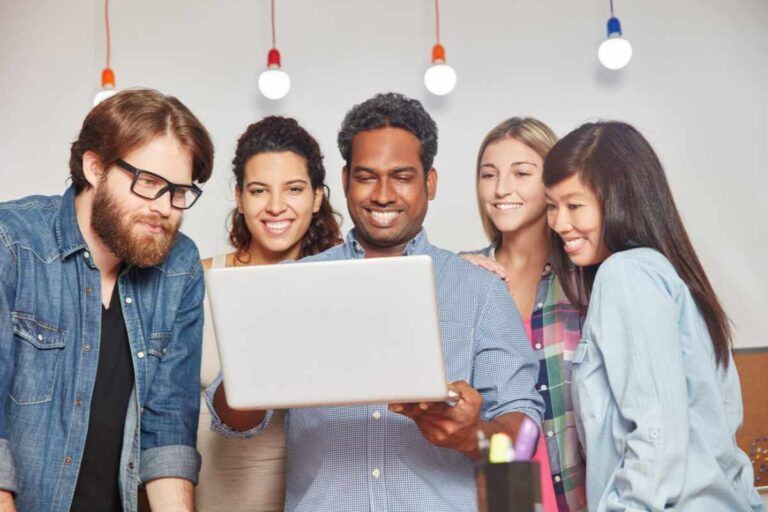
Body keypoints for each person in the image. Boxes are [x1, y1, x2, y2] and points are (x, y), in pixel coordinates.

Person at [205, 92, 544, 512]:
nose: (383, 194)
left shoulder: (480, 290)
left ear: (430, 182)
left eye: (402, 176)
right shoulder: (294, 282)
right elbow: (232, 420)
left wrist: (473, 435)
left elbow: (524, 433)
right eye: (367, 177)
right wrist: (259, 362)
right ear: (345, 180)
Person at [0, 89, 214, 512]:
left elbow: (168, 429)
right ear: (94, 167)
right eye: (148, 183)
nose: (164, 209)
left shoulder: (180, 265)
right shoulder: (12, 244)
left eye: (179, 192)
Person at [543, 121, 763, 511]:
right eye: (551, 206)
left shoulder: (625, 274)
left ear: (620, 199)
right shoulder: (671, 277)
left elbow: (656, 435)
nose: (560, 223)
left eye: (574, 205)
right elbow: (723, 437)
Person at [196, 116, 342, 512]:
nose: (276, 206)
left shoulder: (342, 284)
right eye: (259, 190)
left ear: (316, 197)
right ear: (240, 197)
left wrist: (470, 263)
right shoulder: (198, 280)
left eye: (293, 189)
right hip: (210, 499)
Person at [462, 118, 586, 511]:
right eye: (489, 174)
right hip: (500, 495)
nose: (501, 189)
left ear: (551, 182)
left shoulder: (585, 278)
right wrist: (452, 276)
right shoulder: (462, 277)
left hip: (582, 490)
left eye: (521, 173)